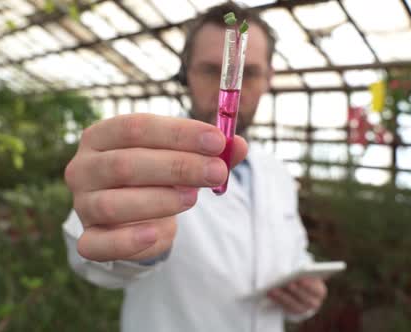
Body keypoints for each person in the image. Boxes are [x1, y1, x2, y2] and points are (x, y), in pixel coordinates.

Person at [62, 3, 327, 332]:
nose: (228, 89)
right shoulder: (142, 156)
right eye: (210, 70)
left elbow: (291, 255)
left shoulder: (277, 173)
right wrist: (134, 243)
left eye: (251, 72)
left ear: (269, 78)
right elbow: (93, 256)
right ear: (186, 71)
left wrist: (303, 293)